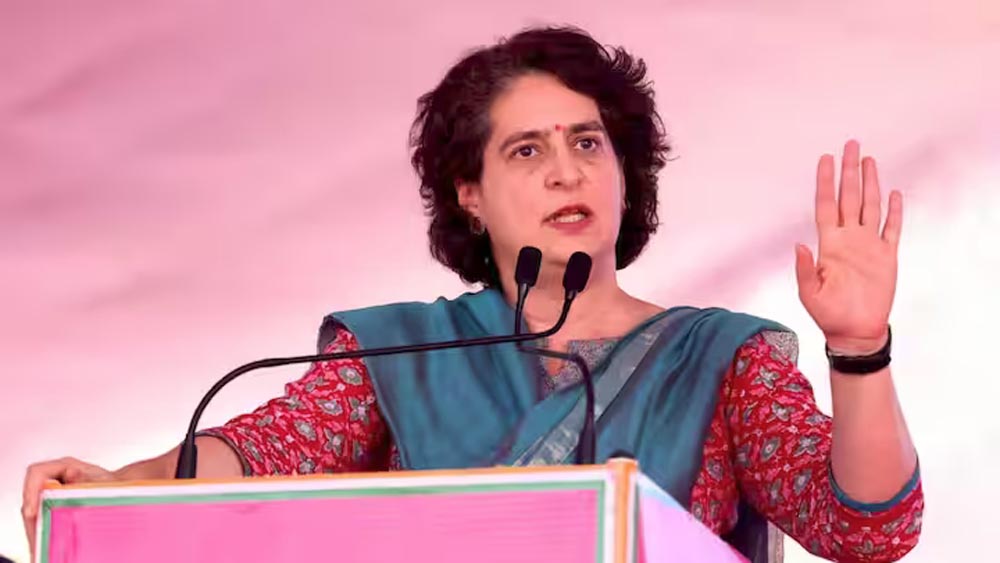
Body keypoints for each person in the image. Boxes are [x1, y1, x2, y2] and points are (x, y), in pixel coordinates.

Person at [22, 26, 922, 562]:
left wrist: (859, 349)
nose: (567, 170)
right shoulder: (403, 355)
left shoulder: (722, 359)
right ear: (470, 194)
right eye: (527, 150)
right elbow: (261, 453)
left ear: (625, 170)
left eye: (588, 142)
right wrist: (119, 485)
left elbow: (867, 527)